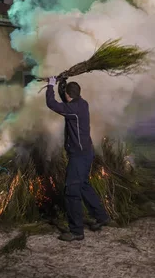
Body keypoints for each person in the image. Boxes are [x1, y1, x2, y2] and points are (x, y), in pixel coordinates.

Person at [45, 77, 109, 241]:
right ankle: (101, 216)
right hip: (86, 152)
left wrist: (51, 85)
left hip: (79, 155)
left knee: (72, 191)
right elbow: (64, 103)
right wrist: (62, 84)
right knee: (83, 186)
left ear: (68, 96)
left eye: (65, 94)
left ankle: (76, 231)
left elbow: (53, 104)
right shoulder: (82, 104)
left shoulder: (73, 109)